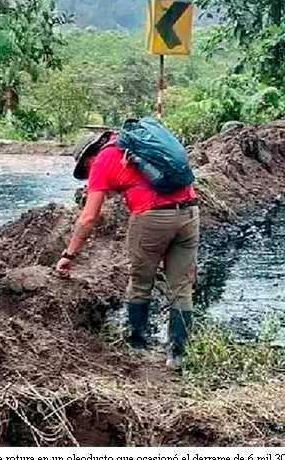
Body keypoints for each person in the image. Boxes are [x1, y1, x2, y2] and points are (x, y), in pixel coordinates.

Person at [55, 130, 200, 370]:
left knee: (141, 282)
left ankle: (137, 346)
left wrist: (68, 255)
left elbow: (89, 218)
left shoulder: (102, 159)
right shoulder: (134, 145)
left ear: (88, 157)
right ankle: (177, 355)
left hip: (152, 217)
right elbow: (132, 180)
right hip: (189, 212)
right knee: (182, 287)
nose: (89, 175)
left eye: (86, 170)